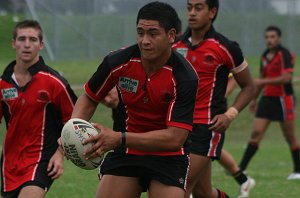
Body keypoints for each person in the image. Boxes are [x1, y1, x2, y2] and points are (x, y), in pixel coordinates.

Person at [69, 2, 198, 198]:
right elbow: (90, 97)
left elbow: (175, 138)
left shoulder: (185, 77)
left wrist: (118, 138)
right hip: (127, 152)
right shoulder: (117, 62)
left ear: (171, 35)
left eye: (153, 34)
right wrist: (72, 128)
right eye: (140, 32)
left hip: (169, 157)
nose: (144, 40)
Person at [173, 0, 255, 197]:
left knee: (178, 188)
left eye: (198, 8)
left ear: (212, 12)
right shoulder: (175, 45)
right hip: (176, 126)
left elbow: (249, 86)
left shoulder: (226, 47)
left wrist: (230, 115)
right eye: (189, 7)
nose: (192, 13)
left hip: (206, 127)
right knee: (203, 193)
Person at [0, 20, 77, 198]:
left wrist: (60, 153)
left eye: (33, 39)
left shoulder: (54, 82)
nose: (27, 44)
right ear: (13, 43)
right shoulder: (3, 83)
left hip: (42, 159)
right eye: (22, 39)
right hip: (10, 163)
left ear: (41, 45)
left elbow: (75, 121)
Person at [239, 26, 300, 180]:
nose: (269, 40)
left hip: (283, 99)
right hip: (267, 99)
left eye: (273, 37)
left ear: (279, 38)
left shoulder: (285, 54)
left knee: (290, 137)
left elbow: (286, 78)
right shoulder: (265, 55)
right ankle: (241, 169)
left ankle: (298, 171)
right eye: (267, 37)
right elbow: (260, 80)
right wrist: (254, 99)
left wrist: (263, 81)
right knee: (256, 133)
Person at [218, 74, 255, 198]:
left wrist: (219, 97)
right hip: (192, 104)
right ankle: (243, 180)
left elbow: (233, 76)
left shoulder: (226, 54)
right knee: (208, 147)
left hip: (211, 108)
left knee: (208, 146)